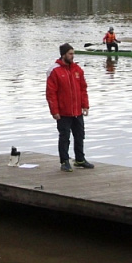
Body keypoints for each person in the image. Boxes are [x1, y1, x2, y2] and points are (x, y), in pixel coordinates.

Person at [46, 43, 92, 173]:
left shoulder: (77, 69)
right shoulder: (54, 70)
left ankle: (80, 159)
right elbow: (51, 93)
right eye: (70, 54)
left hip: (77, 111)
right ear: (63, 54)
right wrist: (54, 111)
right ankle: (65, 161)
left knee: (80, 135)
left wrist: (85, 105)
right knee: (64, 136)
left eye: (73, 54)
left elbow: (83, 88)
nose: (73, 56)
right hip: (63, 112)